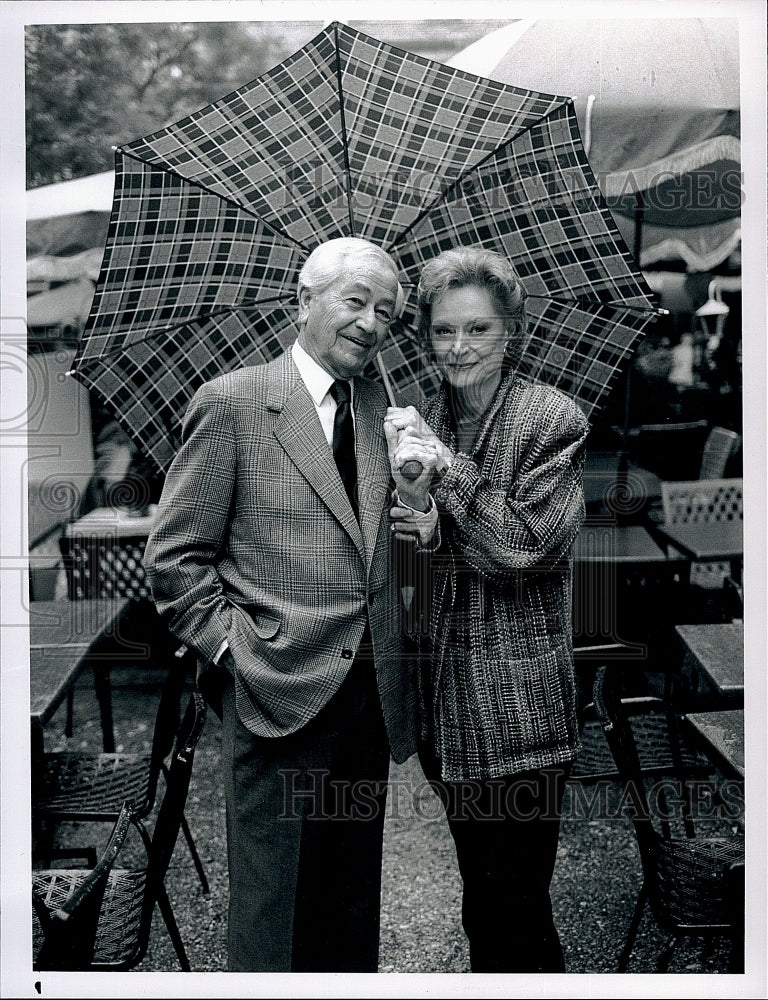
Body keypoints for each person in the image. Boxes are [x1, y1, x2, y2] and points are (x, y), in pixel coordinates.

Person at [143, 237, 436, 972]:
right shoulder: (234, 402)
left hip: (369, 694)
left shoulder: (390, 408)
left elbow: (399, 560)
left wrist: (421, 502)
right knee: (272, 910)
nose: (373, 324)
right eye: (356, 301)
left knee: (349, 900)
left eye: (388, 312)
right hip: (272, 691)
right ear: (305, 301)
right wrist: (235, 653)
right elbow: (174, 560)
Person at [385, 246, 589, 973]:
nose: (459, 347)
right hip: (448, 712)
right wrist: (421, 526)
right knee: (482, 900)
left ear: (511, 331)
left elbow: (522, 549)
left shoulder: (551, 421)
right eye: (443, 331)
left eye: (477, 329)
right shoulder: (421, 418)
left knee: (517, 908)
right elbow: (423, 571)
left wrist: (444, 466)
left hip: (520, 717)